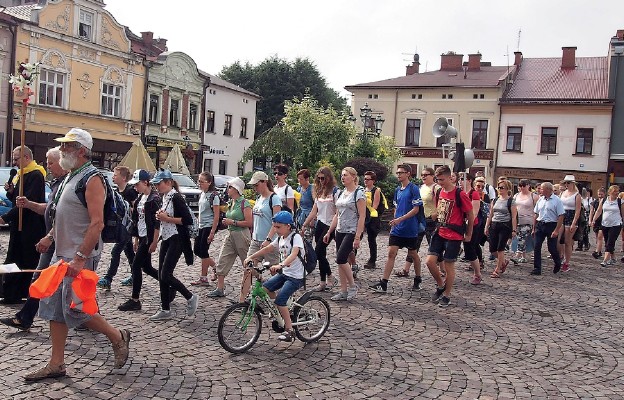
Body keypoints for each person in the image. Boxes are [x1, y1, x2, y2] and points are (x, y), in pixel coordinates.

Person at [24, 128, 129, 381]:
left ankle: (117, 336)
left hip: (78, 255)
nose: (61, 150)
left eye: (67, 146)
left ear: (81, 150)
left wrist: (80, 258)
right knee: (52, 309)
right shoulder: (70, 177)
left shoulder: (92, 179)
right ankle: (56, 363)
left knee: (76, 311)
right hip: (59, 254)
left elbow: (97, 223)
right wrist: (50, 237)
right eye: (62, 146)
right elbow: (61, 214)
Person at [0, 147, 67, 330]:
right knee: (38, 276)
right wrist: (14, 194)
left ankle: (90, 318)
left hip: (35, 230)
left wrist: (6, 217)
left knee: (65, 282)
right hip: (33, 232)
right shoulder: (29, 175)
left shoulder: (37, 175)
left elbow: (64, 213)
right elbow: (46, 207)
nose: (48, 166)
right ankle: (23, 313)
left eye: (51, 163)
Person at [244, 211, 305, 342]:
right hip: (285, 273)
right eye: (275, 226)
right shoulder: (280, 238)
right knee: (265, 289)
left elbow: (294, 254)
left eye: (278, 227)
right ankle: (279, 312)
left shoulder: (296, 237)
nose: (276, 230)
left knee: (280, 300)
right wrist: (251, 256)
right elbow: (267, 249)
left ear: (288, 226)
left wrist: (280, 265)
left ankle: (289, 330)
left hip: (296, 276)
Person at [148, 169, 199, 320]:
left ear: (168, 183)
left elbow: (187, 220)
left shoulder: (176, 197)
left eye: (159, 184)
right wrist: (161, 217)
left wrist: (167, 218)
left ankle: (190, 297)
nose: (157, 187)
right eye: (156, 184)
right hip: (167, 237)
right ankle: (165, 309)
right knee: (161, 275)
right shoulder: (165, 197)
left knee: (166, 274)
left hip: (177, 238)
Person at [0, 146, 46, 304]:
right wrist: (11, 191)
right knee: (13, 257)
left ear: (26, 157)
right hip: (17, 224)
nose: (14, 162)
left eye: (16, 158)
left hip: (30, 225)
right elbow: (17, 199)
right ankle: (9, 293)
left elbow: (27, 202)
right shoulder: (21, 173)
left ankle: (25, 293)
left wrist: (5, 218)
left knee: (26, 260)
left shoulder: (36, 174)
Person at [369, 164, 423, 293]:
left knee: (413, 254)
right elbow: (396, 208)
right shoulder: (397, 190)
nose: (398, 175)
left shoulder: (413, 189)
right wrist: (395, 222)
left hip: (410, 228)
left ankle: (418, 277)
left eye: (401, 173)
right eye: (397, 173)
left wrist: (400, 219)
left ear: (408, 174)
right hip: (398, 228)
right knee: (391, 253)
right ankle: (384, 283)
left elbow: (416, 209)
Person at [425, 166, 474, 307]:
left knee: (448, 266)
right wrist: (434, 215)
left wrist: (469, 234)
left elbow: (470, 215)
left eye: (441, 179)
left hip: (454, 234)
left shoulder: (460, 194)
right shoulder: (439, 191)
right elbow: (439, 208)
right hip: (440, 231)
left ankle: (447, 295)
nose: (439, 182)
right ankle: (441, 285)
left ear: (449, 177)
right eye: (437, 179)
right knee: (429, 261)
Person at [117, 170, 161, 311]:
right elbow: (137, 221)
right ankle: (168, 284)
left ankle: (135, 300)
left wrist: (154, 241)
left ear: (145, 182)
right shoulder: (141, 198)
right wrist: (136, 239)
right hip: (142, 236)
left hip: (148, 237)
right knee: (146, 267)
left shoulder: (154, 199)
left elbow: (157, 223)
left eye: (137, 184)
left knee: (136, 265)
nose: (135, 187)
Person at [239, 171, 281, 302]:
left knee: (276, 273)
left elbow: (276, 222)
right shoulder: (258, 199)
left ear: (264, 182)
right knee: (248, 268)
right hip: (256, 241)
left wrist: (268, 239)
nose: (254, 188)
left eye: (256, 185)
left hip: (270, 243)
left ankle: (282, 299)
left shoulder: (274, 199)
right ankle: (242, 301)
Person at [207, 177, 252, 298]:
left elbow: (249, 222)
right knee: (223, 258)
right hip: (230, 234)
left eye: (230, 187)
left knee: (248, 263)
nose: (228, 189)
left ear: (237, 189)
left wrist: (233, 222)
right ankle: (220, 288)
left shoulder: (244, 203)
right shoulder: (231, 202)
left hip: (242, 235)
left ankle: (255, 287)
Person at [325, 167, 365, 301]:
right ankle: (343, 290)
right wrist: (330, 231)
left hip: (352, 230)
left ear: (353, 177)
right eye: (342, 175)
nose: (343, 178)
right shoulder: (342, 193)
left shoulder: (359, 193)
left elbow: (362, 216)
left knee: (341, 258)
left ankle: (353, 286)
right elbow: (337, 214)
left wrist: (358, 236)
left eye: (346, 175)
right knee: (340, 262)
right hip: (340, 230)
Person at [97, 166, 137, 290]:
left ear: (123, 178)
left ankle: (108, 278)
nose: (113, 177)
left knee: (116, 251)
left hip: (127, 228)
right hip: (120, 227)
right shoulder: (115, 191)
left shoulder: (130, 191)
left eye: (115, 175)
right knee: (129, 253)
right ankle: (135, 275)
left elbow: (137, 209)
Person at [303, 167, 339, 291]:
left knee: (318, 251)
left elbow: (337, 212)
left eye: (323, 178)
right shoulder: (319, 191)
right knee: (320, 254)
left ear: (329, 178)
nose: (321, 180)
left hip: (330, 225)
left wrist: (330, 230)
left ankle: (330, 276)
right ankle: (323, 281)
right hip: (320, 224)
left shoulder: (335, 191)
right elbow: (314, 210)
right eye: (319, 178)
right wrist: (304, 225)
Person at [190, 171, 220, 286]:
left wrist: (212, 232)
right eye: (199, 181)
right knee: (197, 250)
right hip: (201, 226)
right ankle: (214, 268)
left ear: (209, 183)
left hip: (209, 226)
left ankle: (205, 276)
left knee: (203, 250)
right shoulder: (202, 193)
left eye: (202, 182)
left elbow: (216, 215)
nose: (200, 184)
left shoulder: (214, 196)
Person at [484, 179, 517, 278]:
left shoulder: (511, 201)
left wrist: (514, 230)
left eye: (502, 187)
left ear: (507, 189)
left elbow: (514, 216)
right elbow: (491, 214)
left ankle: (497, 269)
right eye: (499, 187)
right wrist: (486, 226)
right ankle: (503, 261)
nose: (500, 189)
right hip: (494, 224)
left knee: (500, 248)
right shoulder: (495, 200)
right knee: (492, 249)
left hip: (505, 226)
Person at [531, 182, 564, 275]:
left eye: (542, 188)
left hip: (551, 225)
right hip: (540, 224)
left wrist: (557, 230)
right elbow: (536, 214)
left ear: (548, 190)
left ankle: (557, 262)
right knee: (537, 246)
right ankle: (537, 268)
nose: (540, 190)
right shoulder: (540, 199)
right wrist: (534, 228)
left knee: (551, 248)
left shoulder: (557, 200)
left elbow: (561, 216)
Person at [458, 173, 485, 285]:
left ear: (469, 180)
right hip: (461, 224)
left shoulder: (474, 194)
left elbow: (474, 213)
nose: (460, 181)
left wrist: (467, 228)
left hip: (472, 225)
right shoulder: (461, 193)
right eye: (459, 179)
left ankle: (477, 273)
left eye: (462, 179)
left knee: (470, 248)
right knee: (467, 248)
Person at [591, 185, 623, 267]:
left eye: (618, 191)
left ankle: (605, 260)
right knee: (607, 242)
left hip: (616, 224)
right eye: (615, 191)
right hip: (605, 224)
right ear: (610, 192)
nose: (617, 193)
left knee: (610, 242)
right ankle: (613, 258)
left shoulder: (620, 202)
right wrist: (593, 220)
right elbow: (598, 211)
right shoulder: (604, 200)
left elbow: (623, 214)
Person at [510, 179, 539, 264]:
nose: (522, 187)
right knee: (522, 238)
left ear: (528, 185)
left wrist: (535, 223)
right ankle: (523, 256)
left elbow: (537, 210)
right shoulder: (516, 195)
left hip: (529, 220)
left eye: (524, 185)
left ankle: (517, 255)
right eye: (520, 185)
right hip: (518, 220)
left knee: (521, 237)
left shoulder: (534, 196)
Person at [559, 175, 582, 272]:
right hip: (562, 216)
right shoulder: (563, 193)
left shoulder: (577, 195)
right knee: (559, 239)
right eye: (565, 183)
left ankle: (566, 262)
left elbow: (577, 210)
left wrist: (574, 223)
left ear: (573, 183)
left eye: (568, 183)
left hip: (571, 216)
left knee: (568, 242)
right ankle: (560, 256)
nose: (566, 184)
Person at [363, 170, 382, 269]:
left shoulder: (376, 190)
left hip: (372, 218)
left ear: (373, 180)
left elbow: (375, 205)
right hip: (362, 216)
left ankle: (372, 260)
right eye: (364, 179)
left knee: (371, 239)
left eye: (368, 179)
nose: (365, 181)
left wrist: (369, 218)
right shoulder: (362, 190)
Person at [590, 187, 605, 259]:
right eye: (599, 194)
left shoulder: (605, 201)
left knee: (600, 236)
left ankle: (597, 251)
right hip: (596, 220)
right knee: (597, 236)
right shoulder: (595, 202)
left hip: (603, 220)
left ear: (604, 194)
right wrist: (591, 220)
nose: (600, 196)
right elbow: (591, 211)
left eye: (601, 194)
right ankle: (599, 249)